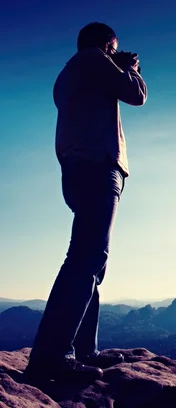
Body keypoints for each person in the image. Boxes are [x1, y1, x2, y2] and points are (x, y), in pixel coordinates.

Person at [25, 22, 148, 382]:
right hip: (97, 165)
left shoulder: (68, 74)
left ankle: (82, 350)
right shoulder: (93, 60)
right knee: (86, 258)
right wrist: (131, 69)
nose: (116, 53)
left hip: (78, 167)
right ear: (106, 45)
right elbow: (136, 94)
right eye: (115, 47)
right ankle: (53, 356)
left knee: (91, 259)